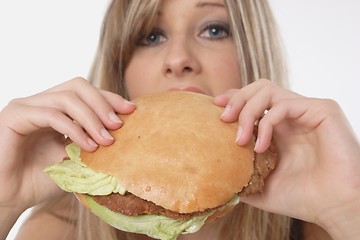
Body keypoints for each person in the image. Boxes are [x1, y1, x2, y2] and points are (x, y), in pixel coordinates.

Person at [0, 0, 359, 239]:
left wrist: (348, 208)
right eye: (151, 36)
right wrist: (4, 203)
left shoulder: (322, 225)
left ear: (252, 53)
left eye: (214, 30)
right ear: (119, 72)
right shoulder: (57, 230)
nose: (178, 58)